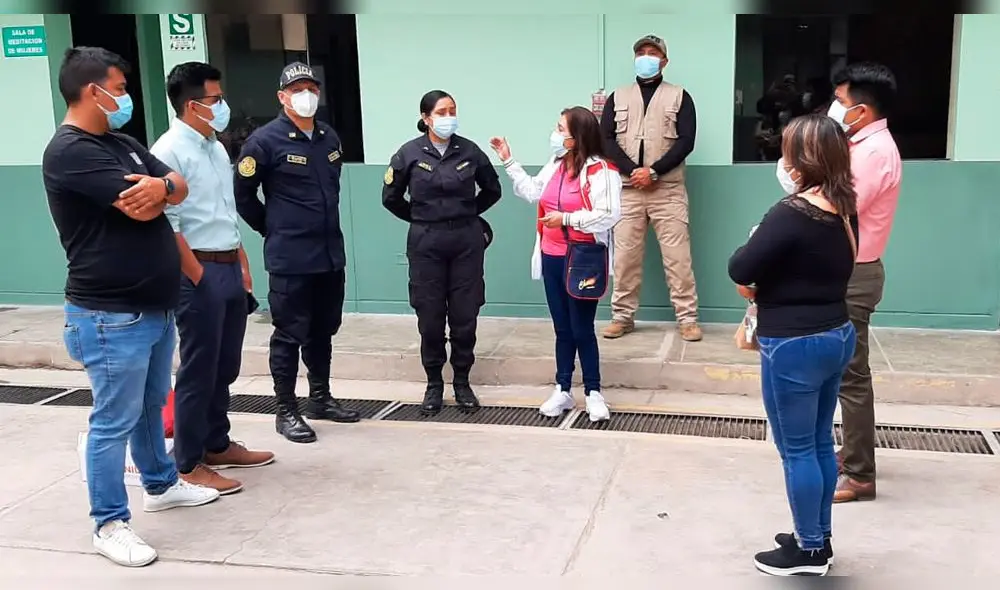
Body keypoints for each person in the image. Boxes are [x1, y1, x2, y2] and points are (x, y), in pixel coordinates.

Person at [42, 46, 219, 568]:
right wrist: (163, 191)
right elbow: (138, 209)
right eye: (118, 88)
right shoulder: (70, 151)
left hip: (153, 305)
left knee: (148, 406)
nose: (125, 98)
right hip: (109, 313)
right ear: (91, 90)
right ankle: (108, 522)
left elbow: (175, 187)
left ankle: (161, 484)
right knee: (113, 419)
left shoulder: (120, 142)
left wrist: (163, 186)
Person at [729, 114, 859, 576]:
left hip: (794, 345)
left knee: (798, 450)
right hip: (835, 334)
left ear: (803, 159)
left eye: (787, 150)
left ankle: (807, 550)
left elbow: (740, 267)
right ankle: (817, 534)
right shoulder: (844, 208)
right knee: (821, 443)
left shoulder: (790, 212)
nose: (782, 160)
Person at [150, 62, 275, 495]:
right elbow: (168, 223)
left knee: (226, 364)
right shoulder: (168, 151)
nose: (223, 107)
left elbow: (225, 211)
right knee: (198, 369)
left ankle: (217, 442)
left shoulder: (216, 148)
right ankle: (187, 462)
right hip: (197, 270)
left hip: (227, 264)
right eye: (215, 100)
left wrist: (241, 262)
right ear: (191, 105)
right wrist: (198, 274)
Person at [234, 62, 360, 444]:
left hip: (328, 254)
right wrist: (271, 228)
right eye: (298, 89)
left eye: (312, 88)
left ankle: (320, 398)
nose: (307, 96)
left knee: (323, 330)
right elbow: (243, 196)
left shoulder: (328, 137)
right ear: (282, 97)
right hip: (291, 257)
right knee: (290, 333)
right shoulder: (264, 141)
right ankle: (285, 409)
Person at [489, 107, 622, 422]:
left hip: (583, 260)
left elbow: (610, 213)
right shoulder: (555, 165)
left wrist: (567, 218)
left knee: (582, 328)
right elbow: (533, 191)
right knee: (562, 328)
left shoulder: (602, 171)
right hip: (551, 256)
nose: (555, 133)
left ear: (577, 137)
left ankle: (593, 392)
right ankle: (563, 388)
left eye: (560, 128)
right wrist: (509, 161)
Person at [382, 90, 502, 415]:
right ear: (426, 118)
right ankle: (434, 384)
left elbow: (493, 189)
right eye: (442, 111)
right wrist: (422, 218)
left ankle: (462, 382)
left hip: (466, 241)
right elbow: (390, 197)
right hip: (426, 243)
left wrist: (466, 214)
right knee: (430, 317)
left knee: (465, 317)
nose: (448, 116)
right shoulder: (408, 154)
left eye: (453, 110)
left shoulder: (470, 151)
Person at [827, 63, 902, 503]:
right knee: (845, 373)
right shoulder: (862, 144)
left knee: (852, 377)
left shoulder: (874, 152)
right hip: (850, 269)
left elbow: (840, 205)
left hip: (855, 274)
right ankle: (853, 452)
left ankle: (859, 475)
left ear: (862, 109)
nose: (835, 109)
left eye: (840, 102)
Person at [599, 34, 702, 343]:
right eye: (641, 52)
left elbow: (686, 141)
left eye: (652, 53)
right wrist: (634, 172)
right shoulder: (617, 97)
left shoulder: (680, 96)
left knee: (678, 258)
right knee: (625, 258)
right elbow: (606, 140)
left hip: (667, 191)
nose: (646, 57)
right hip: (629, 191)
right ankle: (622, 317)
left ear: (664, 61)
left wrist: (655, 171)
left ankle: (687, 318)